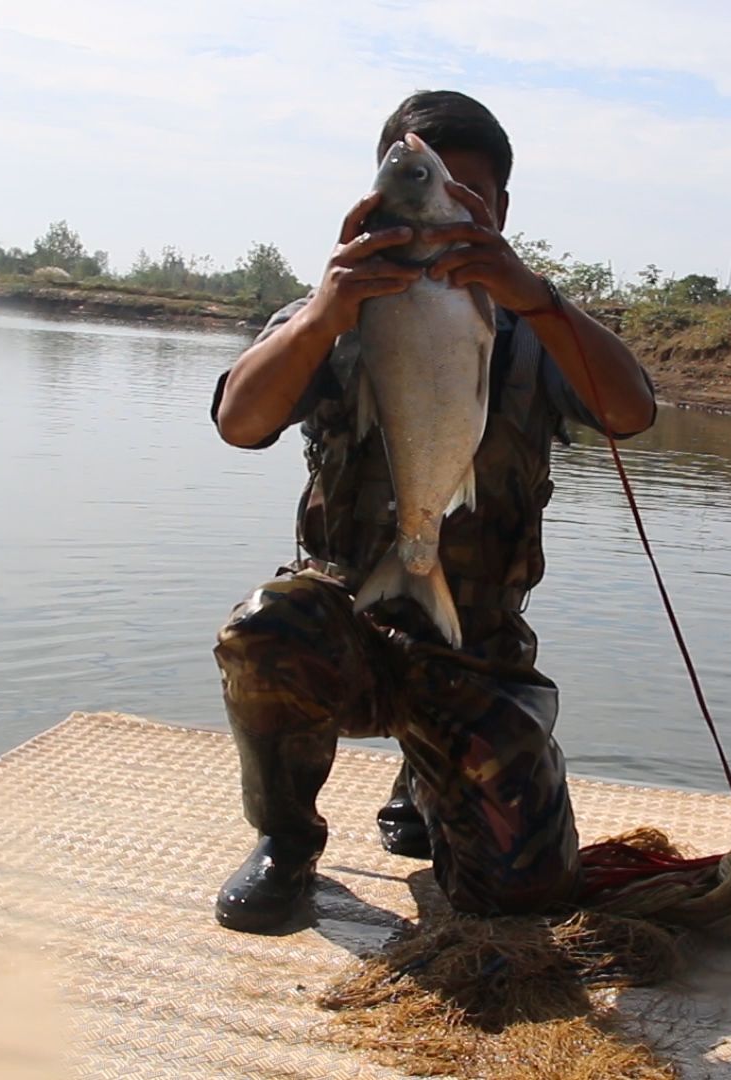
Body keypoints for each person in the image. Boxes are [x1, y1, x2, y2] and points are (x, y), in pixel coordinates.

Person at [209, 90, 657, 933]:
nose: (445, 211)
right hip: (349, 623)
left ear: (501, 211)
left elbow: (631, 411)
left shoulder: (534, 326)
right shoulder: (329, 313)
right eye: (424, 187)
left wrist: (531, 295)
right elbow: (241, 421)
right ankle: (287, 840)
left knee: (523, 896)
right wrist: (323, 312)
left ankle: (429, 770)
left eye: (470, 195)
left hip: (474, 648)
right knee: (266, 628)